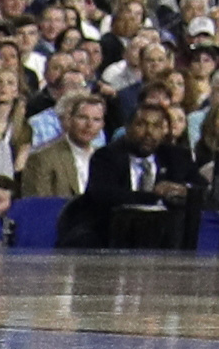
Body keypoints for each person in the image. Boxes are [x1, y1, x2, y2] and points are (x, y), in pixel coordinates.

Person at [64, 95, 199, 250]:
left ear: (164, 130)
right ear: (127, 128)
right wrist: (155, 196)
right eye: (141, 125)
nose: (149, 132)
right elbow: (104, 195)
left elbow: (201, 188)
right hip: (110, 237)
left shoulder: (177, 157)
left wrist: (183, 190)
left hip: (163, 240)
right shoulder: (107, 156)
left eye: (156, 126)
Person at [17, 92, 104, 200]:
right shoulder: (42, 158)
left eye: (96, 120)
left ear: (102, 124)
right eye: (82, 117)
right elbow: (38, 208)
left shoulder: (106, 158)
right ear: (69, 120)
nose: (89, 125)